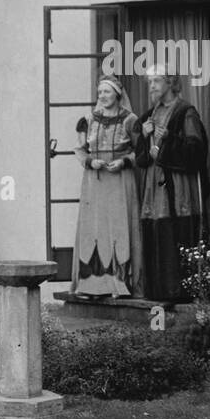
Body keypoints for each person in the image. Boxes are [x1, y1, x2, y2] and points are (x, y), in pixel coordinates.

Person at [135, 72, 210, 302]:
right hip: (154, 189)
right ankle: (157, 292)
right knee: (156, 232)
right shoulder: (149, 115)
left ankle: (178, 293)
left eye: (156, 81)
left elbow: (196, 150)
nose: (152, 87)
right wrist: (144, 139)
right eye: (149, 83)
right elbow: (141, 159)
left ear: (171, 83)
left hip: (177, 189)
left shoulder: (185, 112)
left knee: (175, 234)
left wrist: (167, 140)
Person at [70, 77, 143, 298]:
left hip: (120, 180)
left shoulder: (130, 120)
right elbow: (80, 149)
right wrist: (91, 162)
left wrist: (124, 161)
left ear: (117, 95)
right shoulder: (88, 120)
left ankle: (121, 283)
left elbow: (140, 151)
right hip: (95, 182)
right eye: (100, 92)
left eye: (107, 92)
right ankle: (91, 285)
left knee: (119, 225)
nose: (102, 96)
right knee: (94, 227)